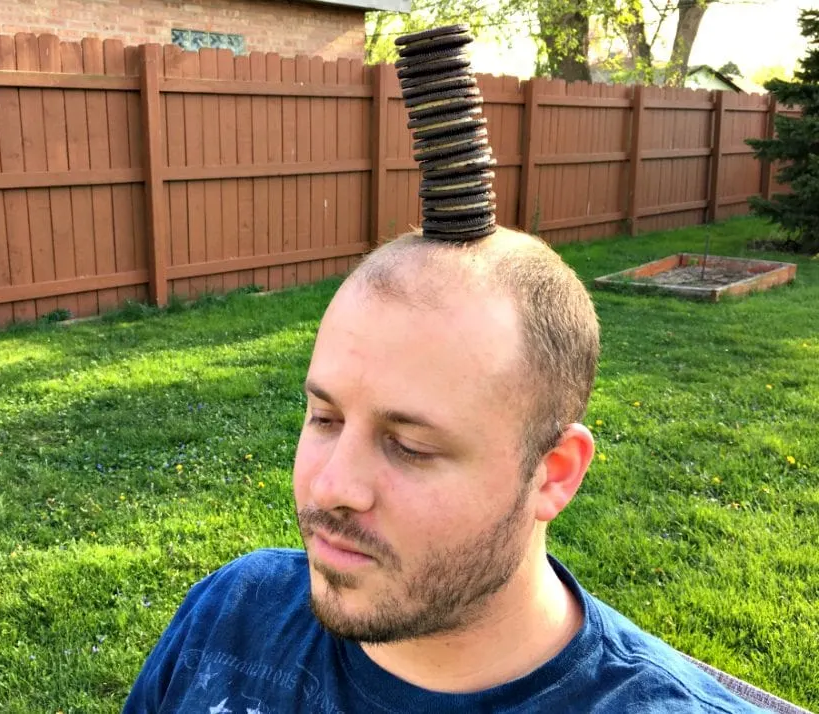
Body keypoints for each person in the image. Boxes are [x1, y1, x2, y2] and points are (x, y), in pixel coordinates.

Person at [121, 226, 766, 713]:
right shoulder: (231, 615)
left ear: (553, 473)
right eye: (324, 418)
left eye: (410, 446)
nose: (329, 487)